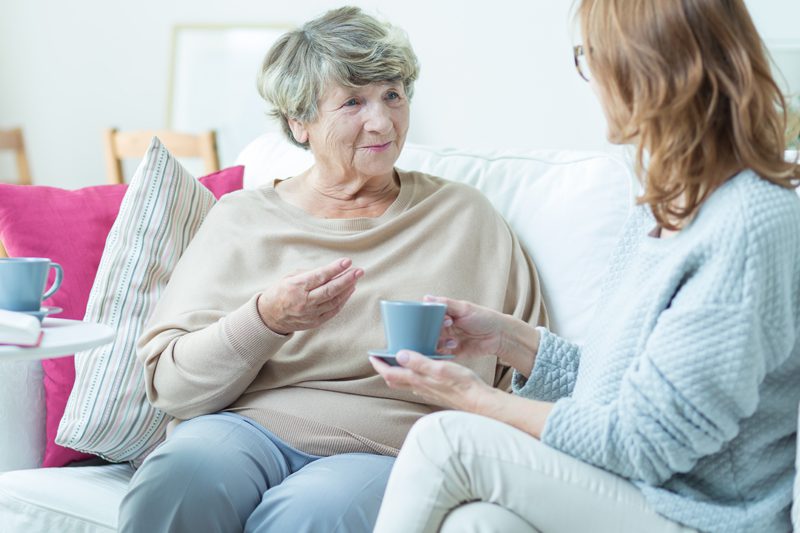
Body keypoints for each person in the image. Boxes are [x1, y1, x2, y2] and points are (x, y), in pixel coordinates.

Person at [371, 1, 800, 532]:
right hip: (635, 490)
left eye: (591, 56)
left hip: (703, 515)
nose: (589, 76)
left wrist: (471, 398)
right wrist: (509, 341)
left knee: (447, 439)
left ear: (651, 69)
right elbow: (620, 391)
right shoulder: (665, 204)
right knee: (479, 524)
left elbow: (646, 440)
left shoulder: (750, 223)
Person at [117, 6, 547, 533]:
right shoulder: (242, 220)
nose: (382, 121)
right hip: (245, 429)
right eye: (352, 102)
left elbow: (534, 373)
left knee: (313, 513)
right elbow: (172, 386)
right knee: (179, 479)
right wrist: (266, 319)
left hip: (387, 446)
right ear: (300, 123)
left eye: (393, 94)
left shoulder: (465, 217)